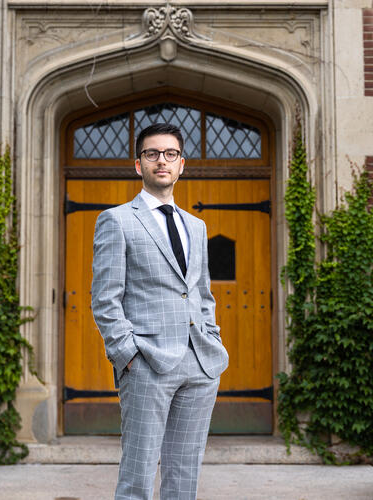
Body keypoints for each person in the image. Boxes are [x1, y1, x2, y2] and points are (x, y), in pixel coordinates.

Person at [91, 123, 229, 500]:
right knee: (137, 475)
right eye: (152, 154)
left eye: (170, 154)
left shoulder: (196, 226)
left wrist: (212, 339)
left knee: (184, 475)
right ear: (139, 165)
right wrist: (129, 356)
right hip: (147, 363)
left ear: (182, 164)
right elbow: (105, 298)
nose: (161, 161)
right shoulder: (117, 220)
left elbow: (201, 293)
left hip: (200, 363)